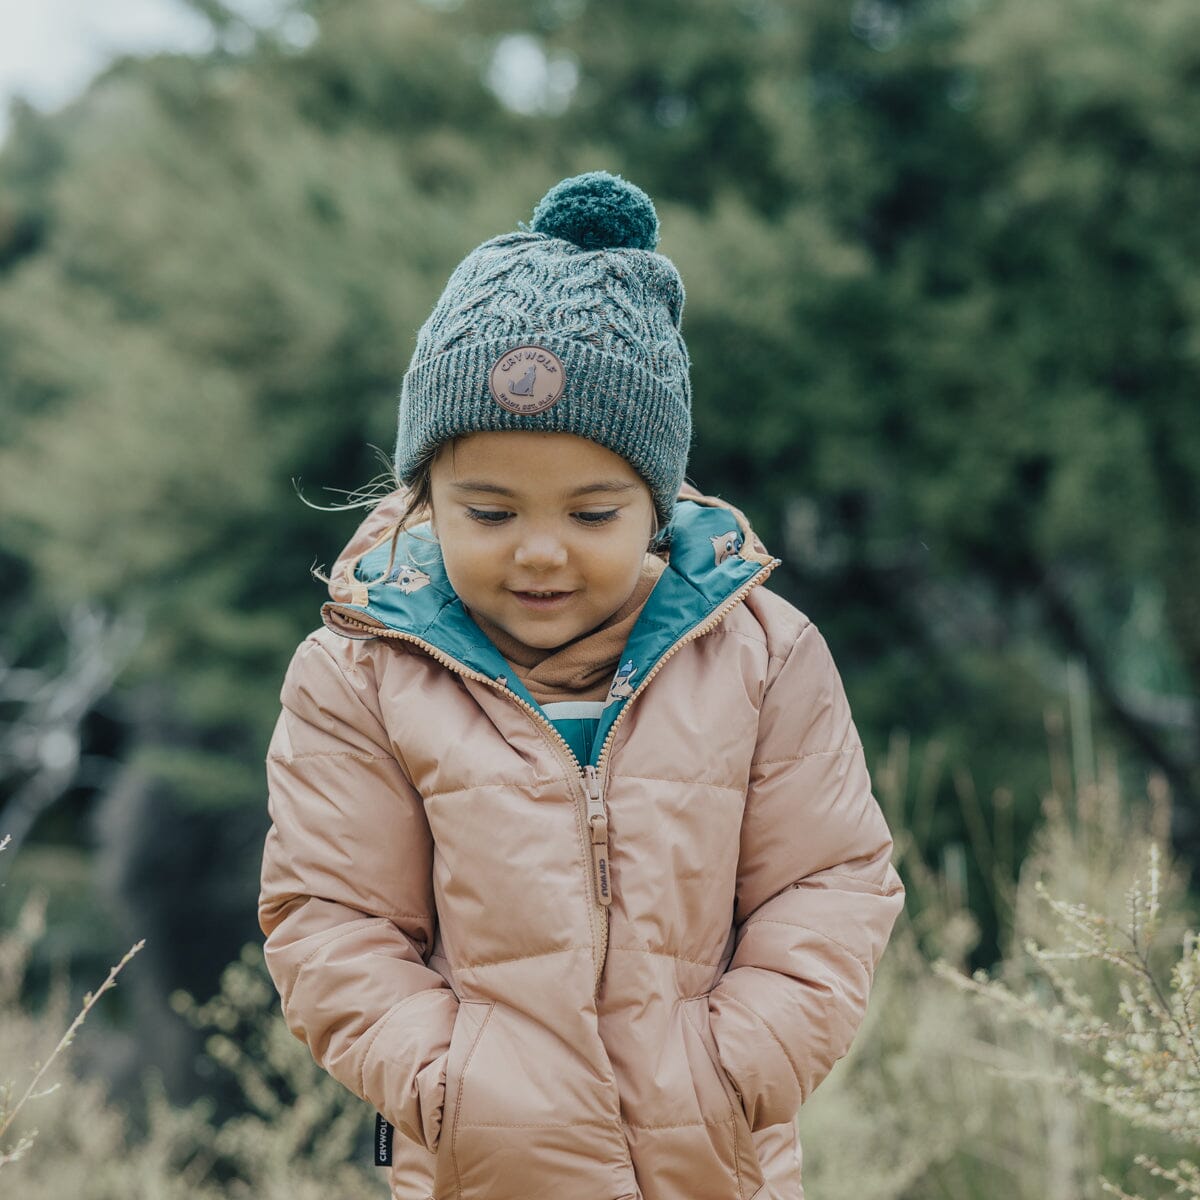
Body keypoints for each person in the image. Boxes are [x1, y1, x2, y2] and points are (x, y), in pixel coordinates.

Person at [259, 170, 905, 1200]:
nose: (542, 554)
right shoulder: (360, 677)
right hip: (483, 1169)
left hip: (715, 1167)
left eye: (593, 515)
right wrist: (446, 1084)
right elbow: (333, 920)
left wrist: (739, 1066)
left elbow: (827, 881)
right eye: (491, 513)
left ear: (658, 503)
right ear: (426, 499)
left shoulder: (762, 655)